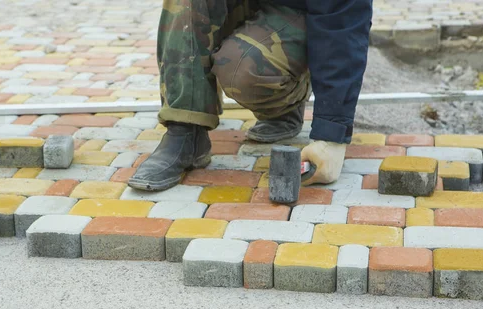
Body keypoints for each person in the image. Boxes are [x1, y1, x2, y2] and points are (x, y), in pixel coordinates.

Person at [128, 0, 373, 192]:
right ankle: (186, 132)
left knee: (241, 71)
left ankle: (288, 97)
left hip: (297, 11)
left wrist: (332, 134)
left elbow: (343, 21)